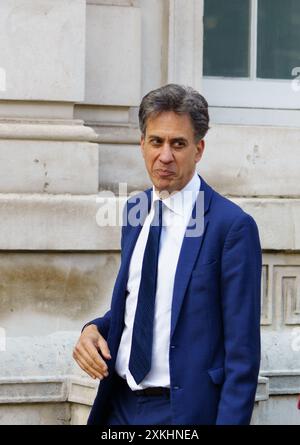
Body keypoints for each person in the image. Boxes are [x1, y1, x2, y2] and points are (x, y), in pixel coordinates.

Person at [73, 84, 262, 425]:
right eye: (156, 141)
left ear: (199, 149)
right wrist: (93, 329)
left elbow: (242, 357)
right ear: (142, 144)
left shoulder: (231, 227)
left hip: (181, 413)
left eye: (178, 144)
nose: (165, 156)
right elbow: (139, 308)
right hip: (118, 406)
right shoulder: (135, 211)